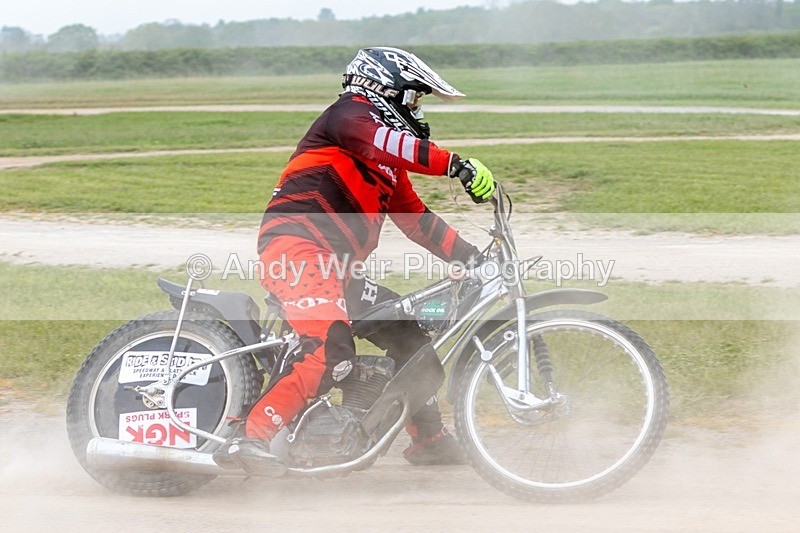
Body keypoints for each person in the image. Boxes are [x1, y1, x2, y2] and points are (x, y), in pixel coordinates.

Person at [214, 47, 495, 473]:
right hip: (298, 249)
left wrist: (473, 257)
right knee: (329, 349)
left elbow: (416, 220)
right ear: (386, 88)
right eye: (414, 97)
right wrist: (453, 164)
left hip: (337, 270)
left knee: (408, 336)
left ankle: (429, 440)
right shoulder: (348, 115)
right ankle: (247, 438)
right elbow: (390, 141)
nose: (417, 109)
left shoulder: (387, 167)